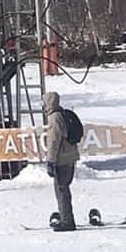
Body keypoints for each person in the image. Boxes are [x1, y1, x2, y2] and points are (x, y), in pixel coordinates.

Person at [43, 91, 80, 231]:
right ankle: (67, 218)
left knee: (61, 189)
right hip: (70, 157)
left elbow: (53, 141)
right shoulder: (63, 114)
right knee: (65, 188)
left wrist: (50, 161)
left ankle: (67, 221)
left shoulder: (54, 118)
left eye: (44, 102)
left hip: (62, 159)